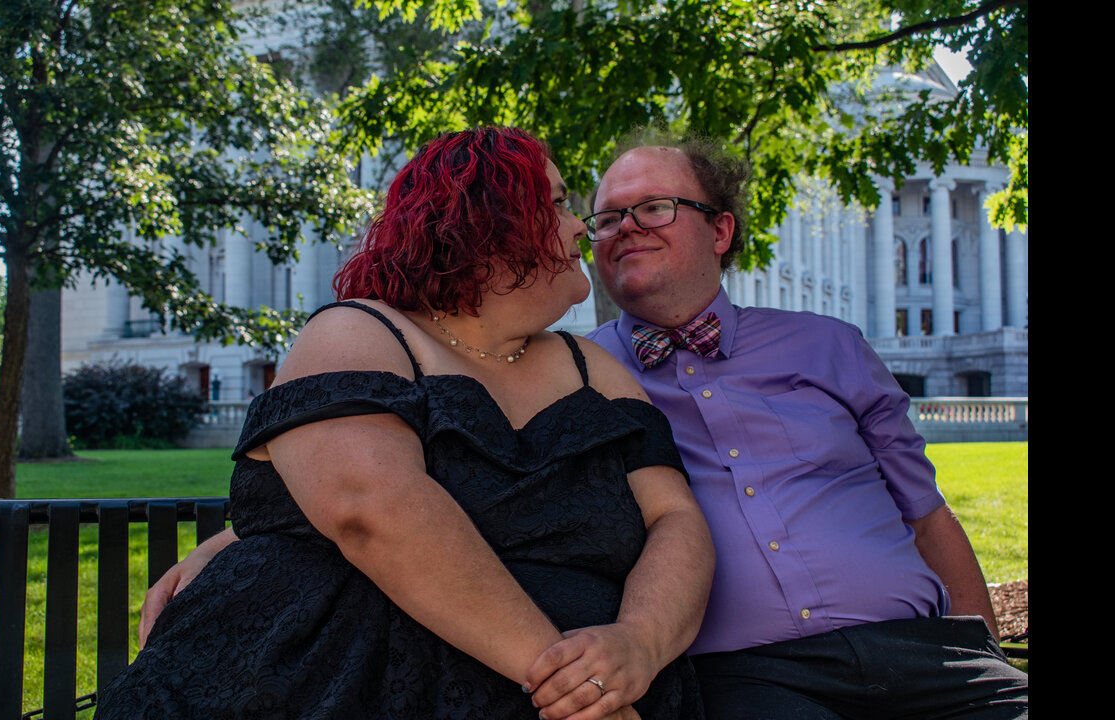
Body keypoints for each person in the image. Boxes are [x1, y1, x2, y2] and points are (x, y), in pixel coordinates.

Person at [101, 127, 714, 720]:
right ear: (486, 226)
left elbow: (674, 516)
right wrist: (572, 691)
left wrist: (640, 642)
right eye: (555, 204)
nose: (582, 225)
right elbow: (370, 510)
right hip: (325, 684)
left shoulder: (594, 369)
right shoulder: (359, 332)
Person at [581, 133, 1028, 718]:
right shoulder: (578, 375)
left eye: (655, 207)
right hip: (747, 677)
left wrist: (982, 652)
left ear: (720, 231)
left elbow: (926, 514)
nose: (628, 226)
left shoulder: (828, 345)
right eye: (608, 217)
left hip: (925, 655)